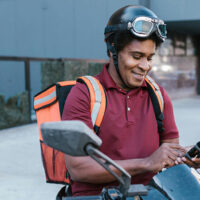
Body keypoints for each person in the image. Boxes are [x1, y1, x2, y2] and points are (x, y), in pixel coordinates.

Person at [62, 5, 199, 196]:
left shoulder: (157, 95)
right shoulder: (84, 95)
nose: (145, 66)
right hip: (96, 196)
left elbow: (169, 155)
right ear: (112, 50)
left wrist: (183, 158)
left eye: (150, 57)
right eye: (136, 56)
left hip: (149, 194)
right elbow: (78, 167)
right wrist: (147, 162)